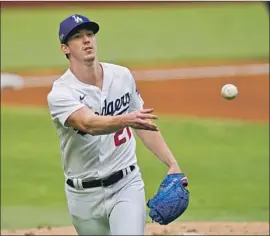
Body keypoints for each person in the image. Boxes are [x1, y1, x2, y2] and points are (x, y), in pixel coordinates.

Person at [47, 14, 187, 235]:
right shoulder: (61, 94)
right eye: (77, 37)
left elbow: (142, 124)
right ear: (65, 48)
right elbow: (88, 123)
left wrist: (172, 164)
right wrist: (126, 119)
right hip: (83, 197)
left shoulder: (122, 76)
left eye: (90, 34)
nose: (86, 40)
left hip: (126, 185)